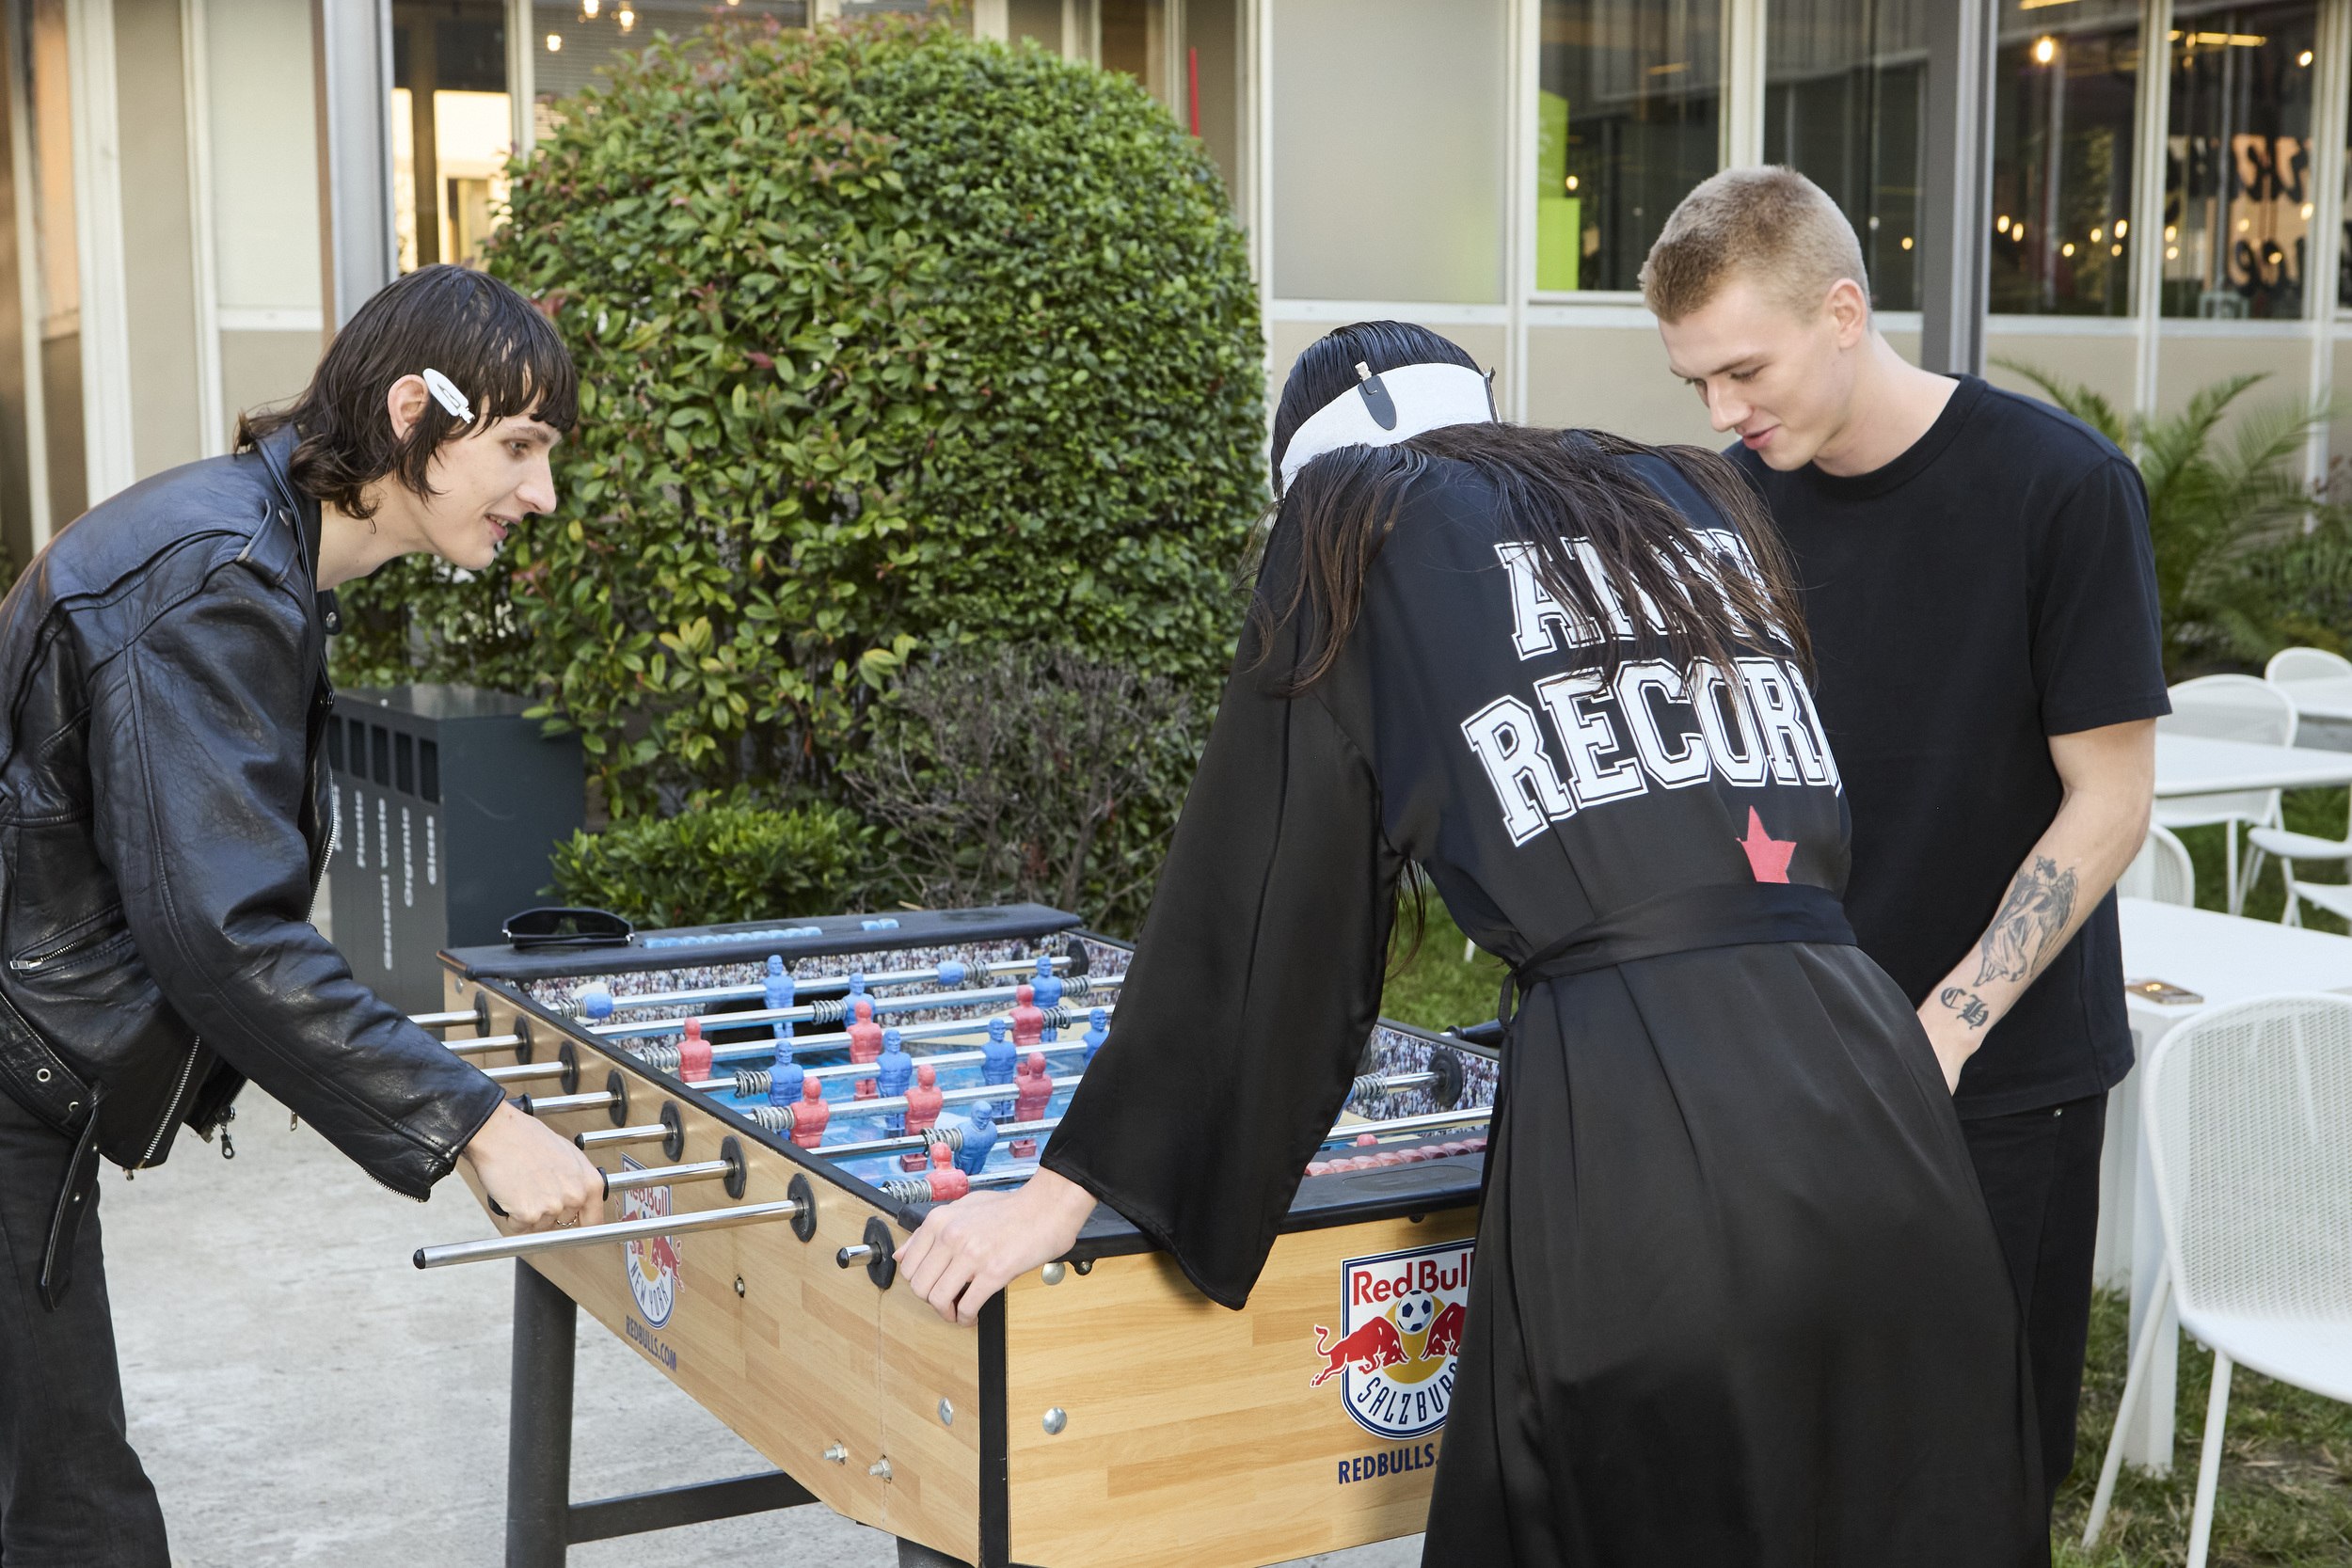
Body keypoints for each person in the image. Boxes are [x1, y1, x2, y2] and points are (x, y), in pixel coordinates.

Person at [898, 321, 2044, 1563]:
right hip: (1883, 1108)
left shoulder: (1348, 519)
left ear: (1300, 472)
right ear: (1486, 405)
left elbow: (1273, 891)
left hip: (1645, 1161)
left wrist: (1078, 1187)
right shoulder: (1689, 492)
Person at [0, 263, 606, 1564]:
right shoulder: (219, 574)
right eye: (517, 446)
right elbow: (223, 932)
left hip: (24, 1070)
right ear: (409, 415)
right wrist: (480, 1125)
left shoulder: (254, 547)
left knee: (61, 1498)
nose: (540, 493)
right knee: (67, 1518)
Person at [1645, 166, 2166, 1519]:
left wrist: (1948, 1023)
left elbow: (2109, 802)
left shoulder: (2063, 489)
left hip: (2001, 1085)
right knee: (1804, 1463)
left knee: (1975, 1480)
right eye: (1696, 383)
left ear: (1843, 309)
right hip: (1784, 1073)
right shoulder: (1730, 506)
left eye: (1744, 369)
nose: (1723, 413)